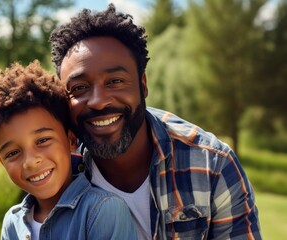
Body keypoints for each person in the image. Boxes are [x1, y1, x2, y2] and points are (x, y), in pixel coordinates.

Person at [50, 4, 261, 239]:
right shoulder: (54, 168)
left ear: (143, 85)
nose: (98, 102)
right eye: (79, 88)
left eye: (115, 81)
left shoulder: (213, 165)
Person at [0, 60, 138, 240]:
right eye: (12, 153)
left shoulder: (103, 211)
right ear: (1, 161)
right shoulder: (12, 222)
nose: (31, 161)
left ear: (71, 140)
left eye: (42, 140)